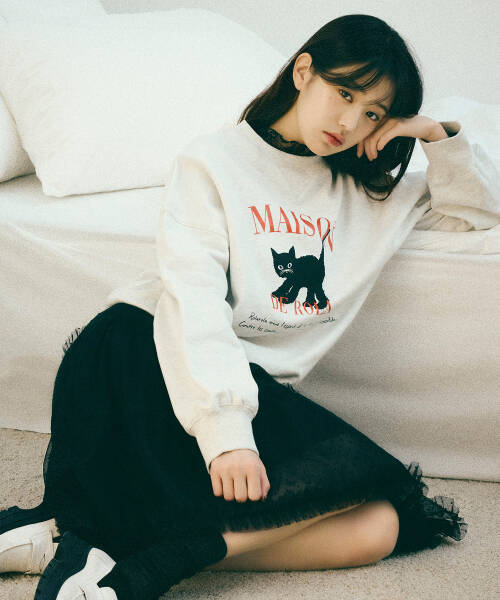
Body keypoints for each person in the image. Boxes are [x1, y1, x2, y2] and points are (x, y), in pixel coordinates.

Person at [4, 12, 499, 600]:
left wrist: (435, 135)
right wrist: (228, 434)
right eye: (344, 94)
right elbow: (193, 299)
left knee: (379, 526)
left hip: (249, 385)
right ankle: (133, 577)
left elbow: (478, 212)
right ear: (304, 71)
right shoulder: (213, 161)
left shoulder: (372, 193)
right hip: (149, 358)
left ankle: (106, 547)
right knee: (363, 484)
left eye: (373, 113)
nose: (350, 122)